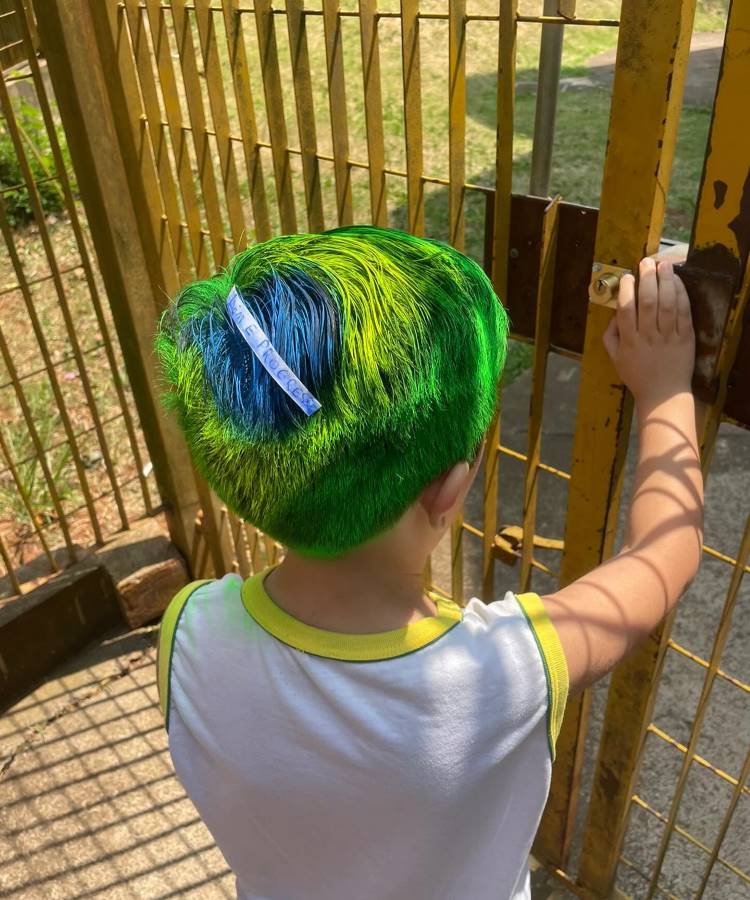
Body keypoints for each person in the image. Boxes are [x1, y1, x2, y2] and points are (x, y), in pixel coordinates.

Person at [154, 227, 703, 900]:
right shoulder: (508, 669)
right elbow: (665, 554)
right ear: (449, 488)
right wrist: (667, 390)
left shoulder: (187, 633)